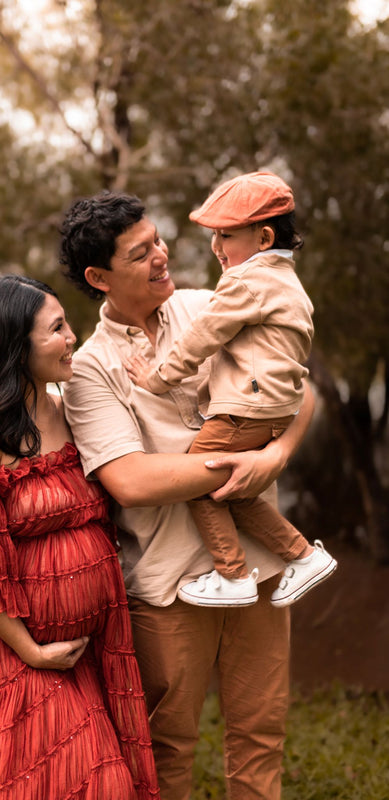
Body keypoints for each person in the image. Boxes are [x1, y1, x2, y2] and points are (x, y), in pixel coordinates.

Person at [60, 190, 316, 800]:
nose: (161, 256)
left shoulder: (211, 304)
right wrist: (239, 465)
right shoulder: (91, 368)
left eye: (158, 240)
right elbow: (130, 481)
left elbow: (297, 391)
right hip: (169, 585)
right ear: (99, 278)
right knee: (165, 749)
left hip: (260, 570)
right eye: (140, 252)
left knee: (260, 737)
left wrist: (275, 456)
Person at [0, 275, 160, 800]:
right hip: (17, 654)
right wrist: (32, 651)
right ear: (17, 346)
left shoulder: (66, 409)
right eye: (57, 328)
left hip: (87, 651)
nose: (72, 337)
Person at [125, 170, 337, 609]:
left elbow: (201, 337)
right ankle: (302, 556)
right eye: (214, 234)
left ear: (263, 238)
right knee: (232, 488)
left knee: (197, 479)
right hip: (275, 409)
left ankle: (233, 574)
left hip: (247, 408)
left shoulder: (246, 282)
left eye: (225, 235)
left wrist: (156, 378)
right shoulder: (286, 279)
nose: (215, 246)